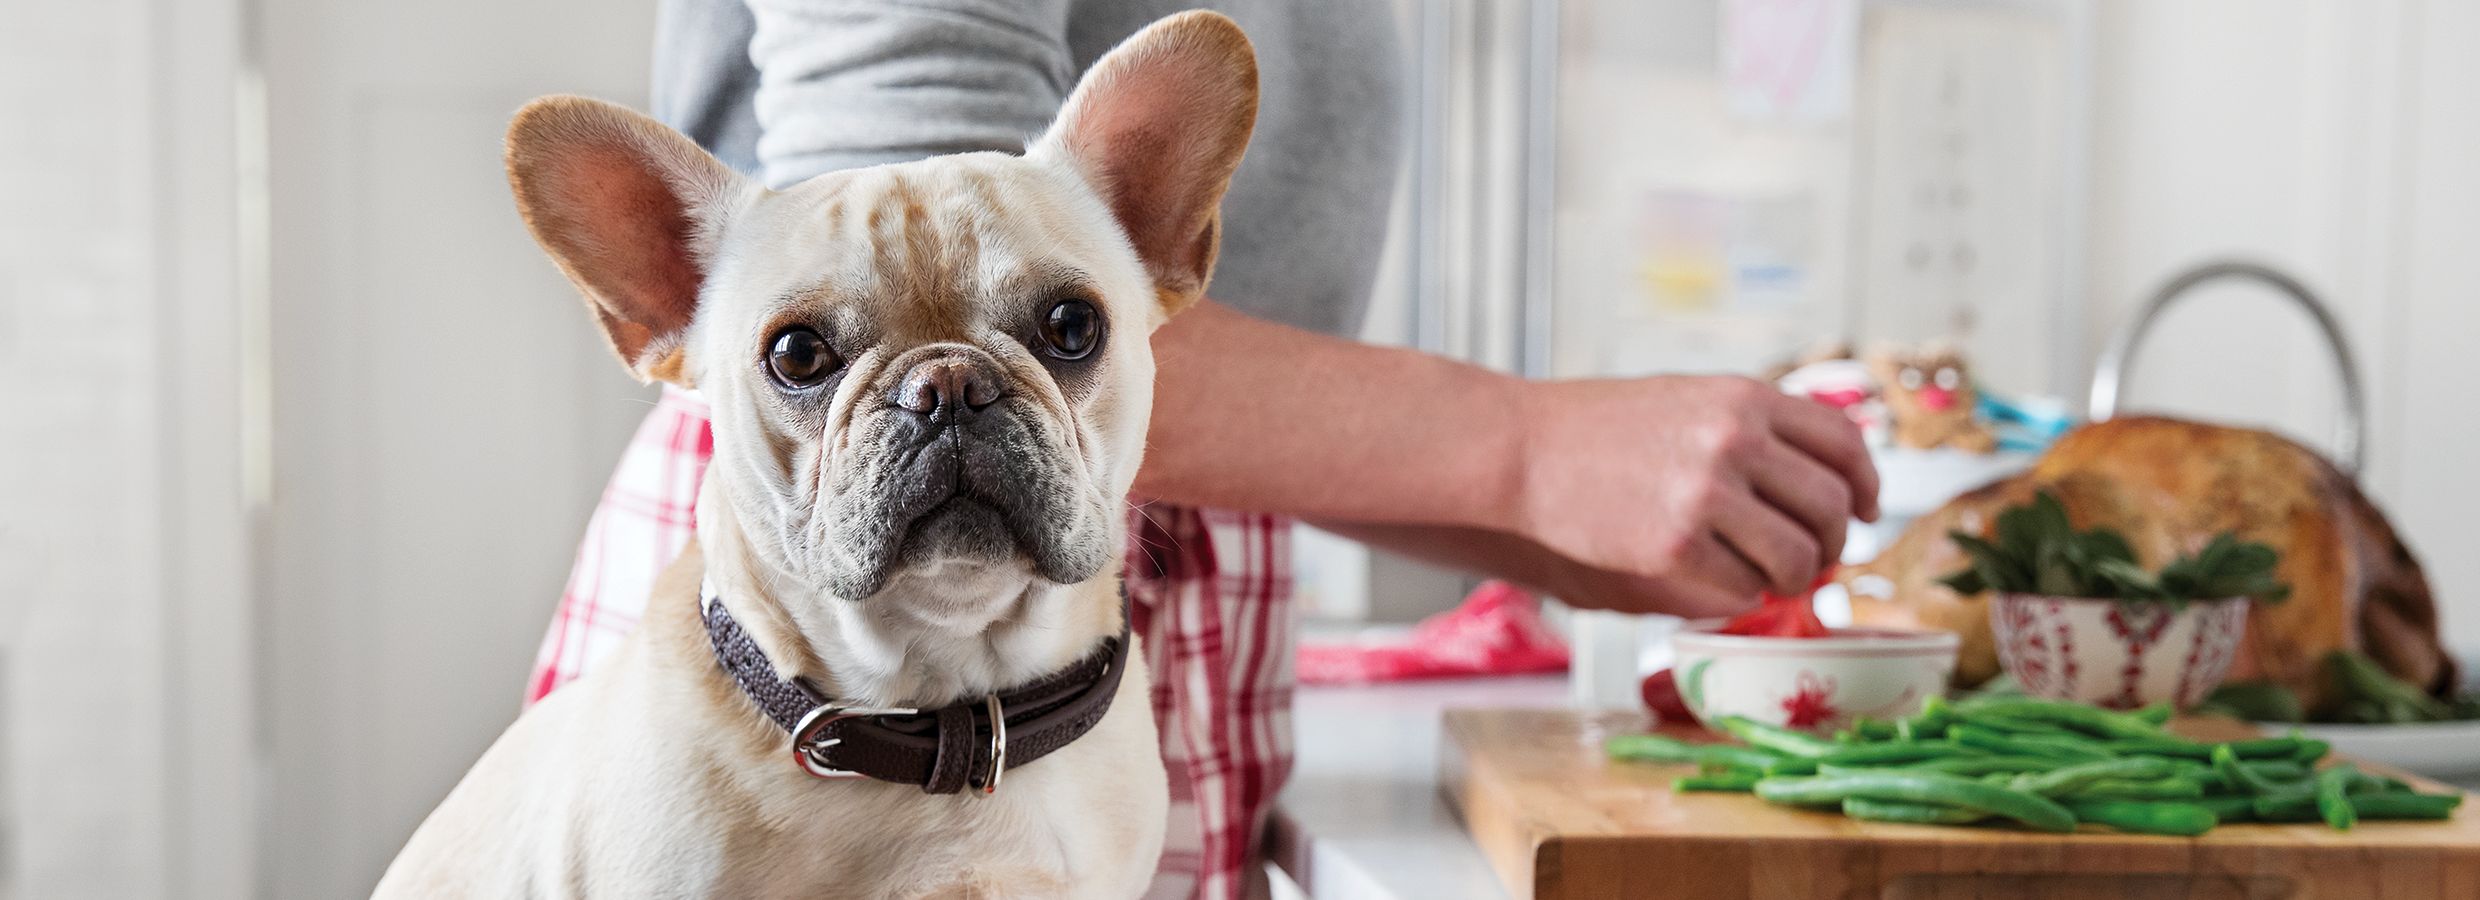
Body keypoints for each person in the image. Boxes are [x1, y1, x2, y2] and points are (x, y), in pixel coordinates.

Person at [525, 2, 1878, 898]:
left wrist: (1543, 525)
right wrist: (1526, 453)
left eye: (1054, 328)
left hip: (1120, 626)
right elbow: (904, 203)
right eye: (811, 361)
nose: (948, 404)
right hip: (792, 664)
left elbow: (1125, 359)